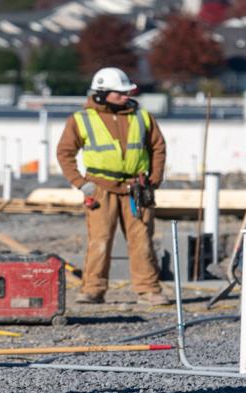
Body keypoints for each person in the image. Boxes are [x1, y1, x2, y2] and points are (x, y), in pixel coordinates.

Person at [55, 66, 168, 306]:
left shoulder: (142, 116)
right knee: (100, 240)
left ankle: (148, 290)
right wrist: (80, 184)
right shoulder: (81, 119)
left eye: (126, 92)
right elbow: (65, 153)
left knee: (142, 241)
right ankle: (93, 290)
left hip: (137, 189)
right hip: (100, 189)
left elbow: (158, 147)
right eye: (119, 93)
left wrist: (154, 179)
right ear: (101, 93)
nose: (126, 96)